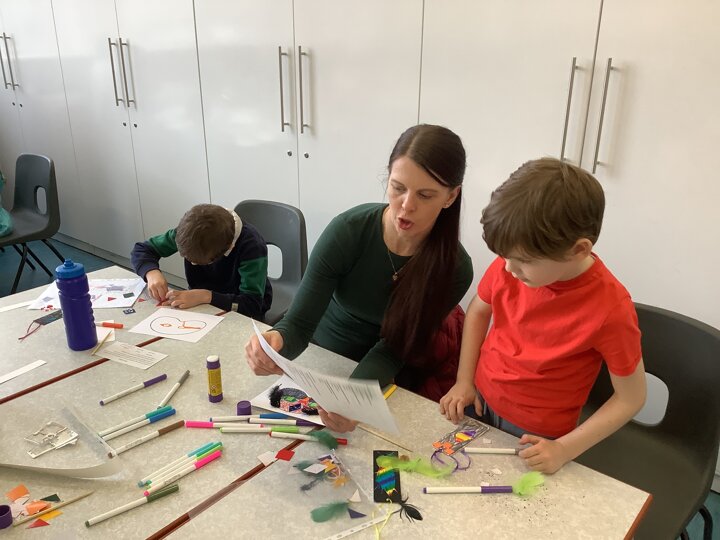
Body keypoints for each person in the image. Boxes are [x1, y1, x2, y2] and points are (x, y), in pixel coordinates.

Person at [245, 124, 474, 432]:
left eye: (425, 195)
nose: (407, 206)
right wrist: (276, 343)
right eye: (398, 188)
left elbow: (395, 349)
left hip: (380, 375)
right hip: (321, 357)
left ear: (450, 196)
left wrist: (353, 399)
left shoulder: (455, 269)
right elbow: (299, 323)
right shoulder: (348, 230)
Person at [439, 157, 647, 474]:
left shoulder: (611, 309)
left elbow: (631, 398)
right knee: (453, 475)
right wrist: (464, 380)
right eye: (504, 256)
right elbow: (479, 310)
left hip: (535, 433)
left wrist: (564, 449)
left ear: (578, 249)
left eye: (523, 260)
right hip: (480, 400)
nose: (508, 268)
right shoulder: (512, 263)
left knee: (505, 497)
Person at [131, 203, 272, 319]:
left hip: (241, 311)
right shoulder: (189, 231)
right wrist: (151, 273)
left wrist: (205, 296)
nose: (192, 264)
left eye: (199, 263)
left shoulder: (252, 247)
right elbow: (142, 250)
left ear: (229, 248)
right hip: (200, 303)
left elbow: (252, 306)